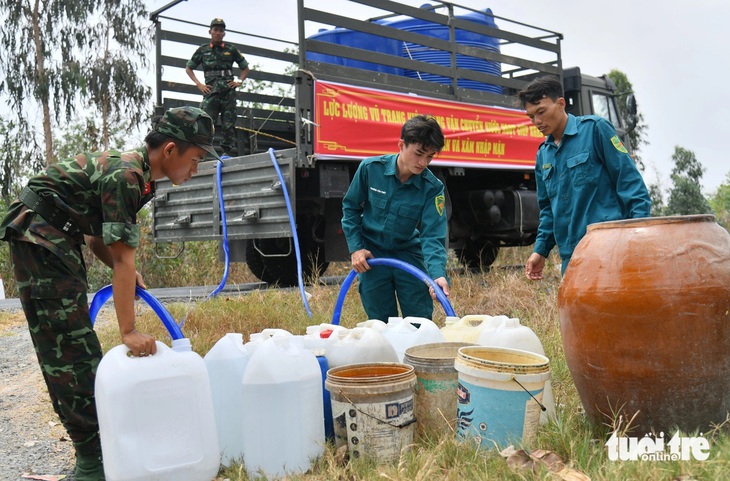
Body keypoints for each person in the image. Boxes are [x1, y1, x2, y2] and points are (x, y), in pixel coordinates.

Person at [0, 106, 219, 481]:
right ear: (170, 150)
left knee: (71, 343)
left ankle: (97, 457)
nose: (196, 169)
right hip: (41, 234)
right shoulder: (128, 176)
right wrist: (128, 330)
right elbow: (120, 257)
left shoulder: (140, 176)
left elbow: (97, 237)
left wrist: (129, 275)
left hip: (53, 234)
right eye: (196, 159)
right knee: (70, 350)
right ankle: (93, 463)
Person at [517, 76, 651, 279]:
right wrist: (540, 250)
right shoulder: (543, 154)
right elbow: (548, 211)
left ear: (560, 104)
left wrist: (638, 239)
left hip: (610, 252)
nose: (537, 122)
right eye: (531, 116)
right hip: (572, 260)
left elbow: (631, 185)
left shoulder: (596, 130)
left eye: (541, 112)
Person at [341, 114, 450, 322]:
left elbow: (433, 235)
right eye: (419, 153)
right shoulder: (371, 169)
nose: (423, 162)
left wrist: (437, 274)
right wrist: (356, 248)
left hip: (408, 253)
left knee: (419, 322)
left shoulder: (432, 188)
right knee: (380, 324)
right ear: (401, 144)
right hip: (373, 255)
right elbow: (350, 207)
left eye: (429, 157)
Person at [185, 17, 250, 157]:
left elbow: (245, 68)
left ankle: (226, 152)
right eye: (216, 30)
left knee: (228, 124)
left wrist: (239, 81)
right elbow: (189, 68)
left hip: (228, 92)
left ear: (224, 34)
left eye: (221, 30)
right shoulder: (202, 50)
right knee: (206, 122)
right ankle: (203, 153)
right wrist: (199, 84)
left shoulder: (231, 49)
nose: (218, 32)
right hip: (211, 91)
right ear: (210, 32)